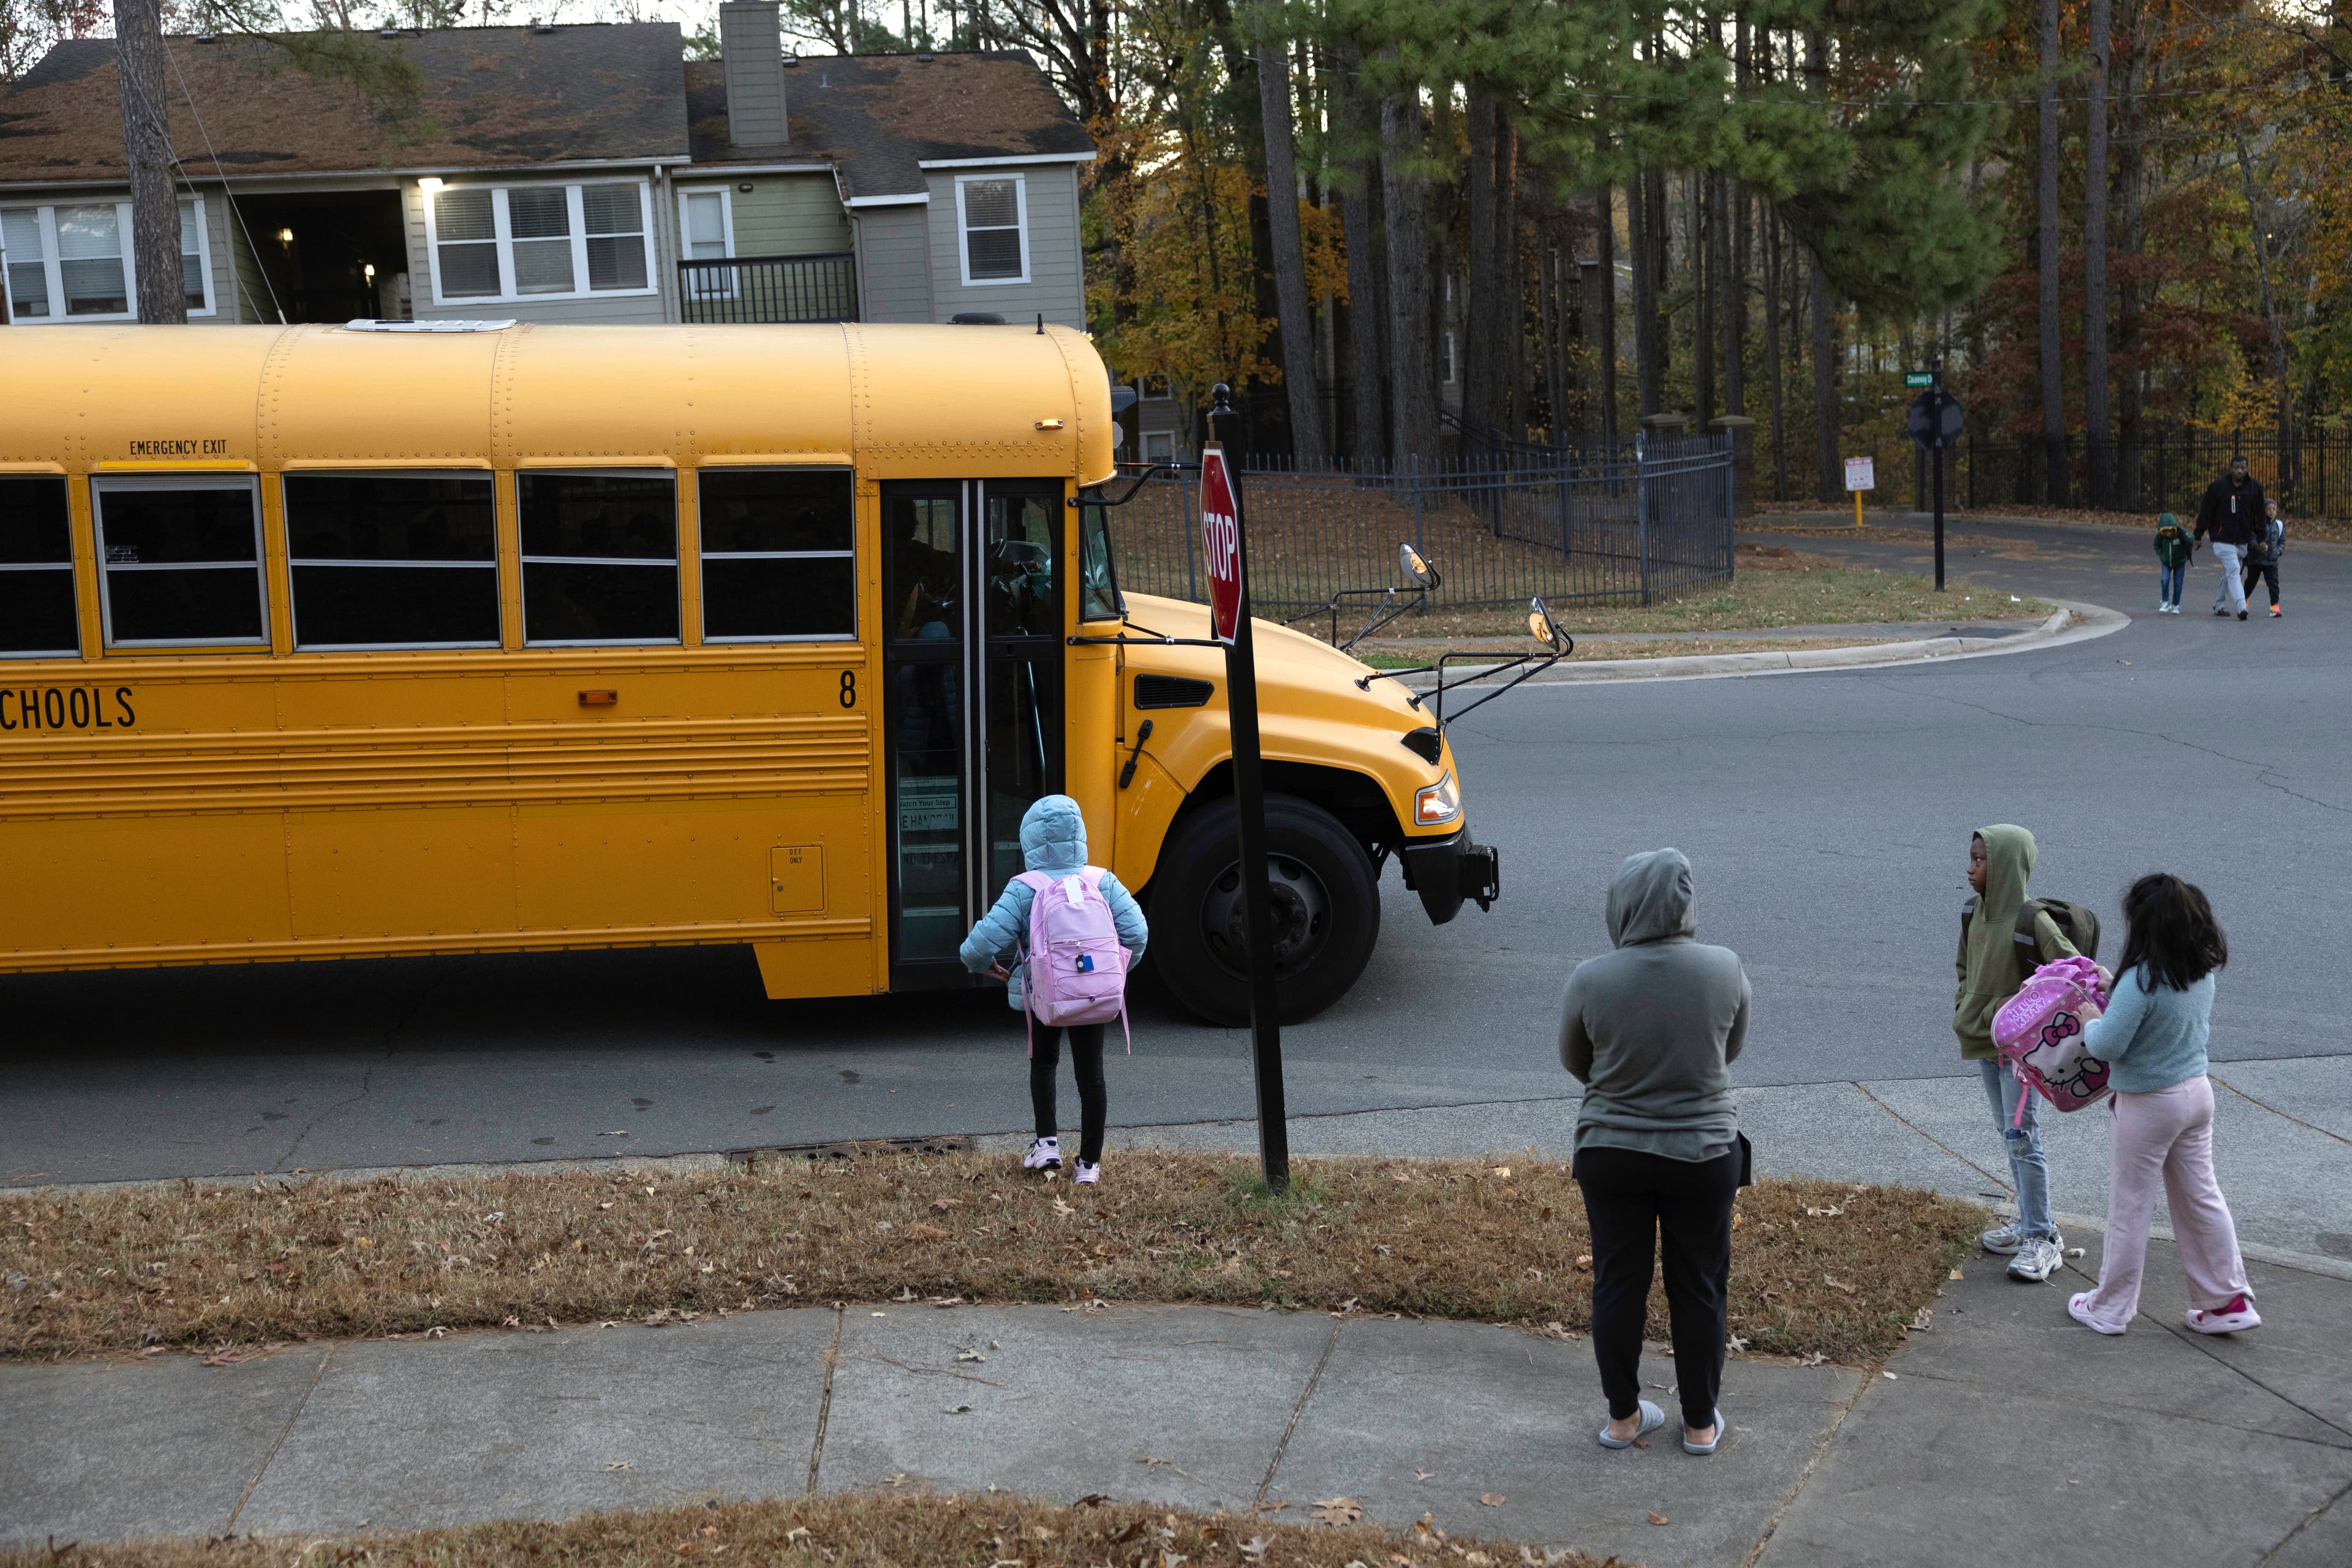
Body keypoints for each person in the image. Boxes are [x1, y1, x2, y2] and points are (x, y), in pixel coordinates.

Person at [1559, 848, 1751, 1457]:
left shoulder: (1592, 977)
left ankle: (1621, 1419)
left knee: (1619, 1282)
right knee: (1698, 1285)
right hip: (1703, 1153)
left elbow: (1576, 1061)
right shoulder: (1724, 967)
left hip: (1612, 1152)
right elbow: (1730, 1048)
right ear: (1686, 901)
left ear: (1622, 905)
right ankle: (1699, 1425)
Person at [2068, 875, 2257, 1336]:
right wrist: (2117, 994)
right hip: (2196, 1094)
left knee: (2130, 1207)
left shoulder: (2142, 979)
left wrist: (2091, 1019)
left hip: (2149, 1106)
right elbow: (2154, 1014)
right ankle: (2227, 1300)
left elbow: (2109, 1044)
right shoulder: (2198, 969)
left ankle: (2110, 1309)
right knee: (2202, 1198)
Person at [959, 795, 1147, 1185]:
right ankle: (1089, 1167)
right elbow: (1138, 934)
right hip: (1094, 994)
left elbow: (979, 945)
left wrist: (985, 968)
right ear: (1079, 834)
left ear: (1029, 840)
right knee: (1091, 1074)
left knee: (1044, 1063)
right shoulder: (1101, 880)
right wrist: (1113, 974)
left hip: (1045, 994)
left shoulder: (1024, 888)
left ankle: (1046, 1145)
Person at [1955, 826, 2080, 1283]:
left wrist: (2022, 1014)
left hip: (2020, 1055)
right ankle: (2030, 1219)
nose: (1970, 868)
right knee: (2009, 1134)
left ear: (2005, 864)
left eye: (1980, 860)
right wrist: (1966, 1007)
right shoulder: (1973, 912)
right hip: (1985, 1043)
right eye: (1970, 858)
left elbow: (2071, 973)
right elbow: (1965, 968)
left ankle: (2043, 1238)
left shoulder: (2034, 921)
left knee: (2023, 1138)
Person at [2193, 455, 2263, 620]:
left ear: (2247, 469)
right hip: (2222, 539)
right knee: (2234, 571)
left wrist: (2262, 538)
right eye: (2236, 468)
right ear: (2231, 469)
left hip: (2242, 540)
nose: (2239, 471)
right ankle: (2241, 607)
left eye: (2243, 468)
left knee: (2228, 573)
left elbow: (2259, 516)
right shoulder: (2218, 488)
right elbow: (2206, 512)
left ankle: (2219, 604)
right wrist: (2198, 535)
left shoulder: (2254, 489)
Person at [2241, 498, 2285, 618]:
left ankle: (2274, 606)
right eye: (2268, 509)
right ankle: (2244, 601)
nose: (2271, 512)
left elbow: (2282, 542)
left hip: (2271, 560)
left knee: (2274, 584)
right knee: (2251, 582)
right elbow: (2252, 539)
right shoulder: (2257, 524)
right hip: (2256, 560)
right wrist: (2258, 547)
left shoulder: (2278, 526)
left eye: (2273, 509)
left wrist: (2278, 551)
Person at [2152, 512, 2193, 614]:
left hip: (2180, 563)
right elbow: (2156, 545)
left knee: (2178, 584)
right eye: (2166, 531)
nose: (2169, 534)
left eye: (2170, 531)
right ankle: (2165, 602)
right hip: (2166, 562)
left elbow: (2191, 540)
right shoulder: (2160, 537)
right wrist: (2161, 554)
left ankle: (2176, 604)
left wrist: (2187, 537)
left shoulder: (2181, 534)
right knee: (2164, 580)